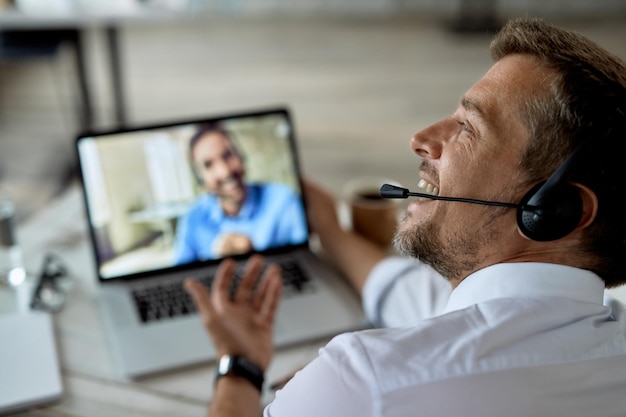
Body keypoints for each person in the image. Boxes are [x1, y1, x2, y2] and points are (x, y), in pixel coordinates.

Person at [184, 17, 626, 416]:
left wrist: (239, 366)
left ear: (555, 211)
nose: (421, 139)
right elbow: (407, 293)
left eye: (469, 128)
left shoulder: (366, 381)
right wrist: (331, 231)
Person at [174, 123, 308, 263]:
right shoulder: (192, 218)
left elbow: (304, 260)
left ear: (241, 157)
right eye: (208, 165)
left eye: (228, 155)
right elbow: (180, 276)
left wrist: (254, 257)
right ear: (200, 179)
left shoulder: (284, 200)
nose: (224, 172)